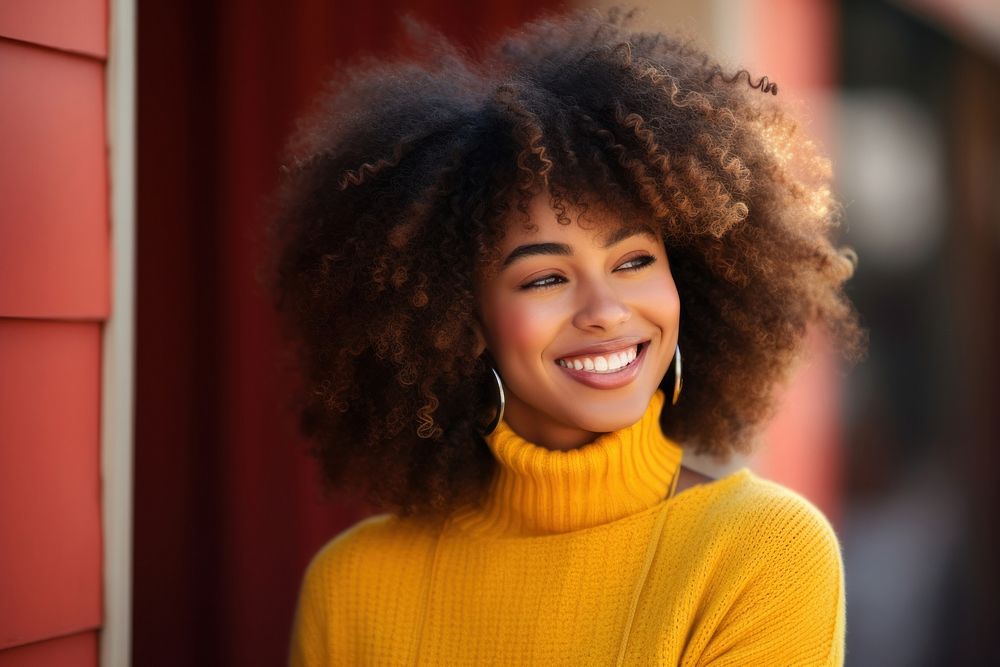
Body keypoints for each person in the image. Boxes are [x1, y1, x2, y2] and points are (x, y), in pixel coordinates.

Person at [267, 8, 863, 666]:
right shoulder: (351, 586)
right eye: (547, 277)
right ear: (461, 319)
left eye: (634, 261)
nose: (606, 310)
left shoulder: (764, 554)